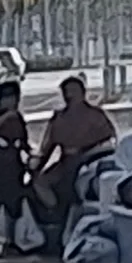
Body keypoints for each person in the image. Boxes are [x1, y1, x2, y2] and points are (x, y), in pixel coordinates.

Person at [29, 74, 120, 237]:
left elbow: (110, 143)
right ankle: (55, 214)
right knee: (40, 182)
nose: (69, 95)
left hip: (91, 163)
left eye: (73, 91)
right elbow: (47, 148)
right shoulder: (59, 118)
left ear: (83, 93)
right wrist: (36, 167)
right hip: (66, 162)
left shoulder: (96, 115)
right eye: (66, 92)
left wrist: (91, 156)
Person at [0, 82, 35, 257]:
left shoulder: (18, 119)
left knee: (13, 208)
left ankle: (10, 242)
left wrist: (32, 155)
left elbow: (23, 142)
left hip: (14, 169)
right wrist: (6, 115)